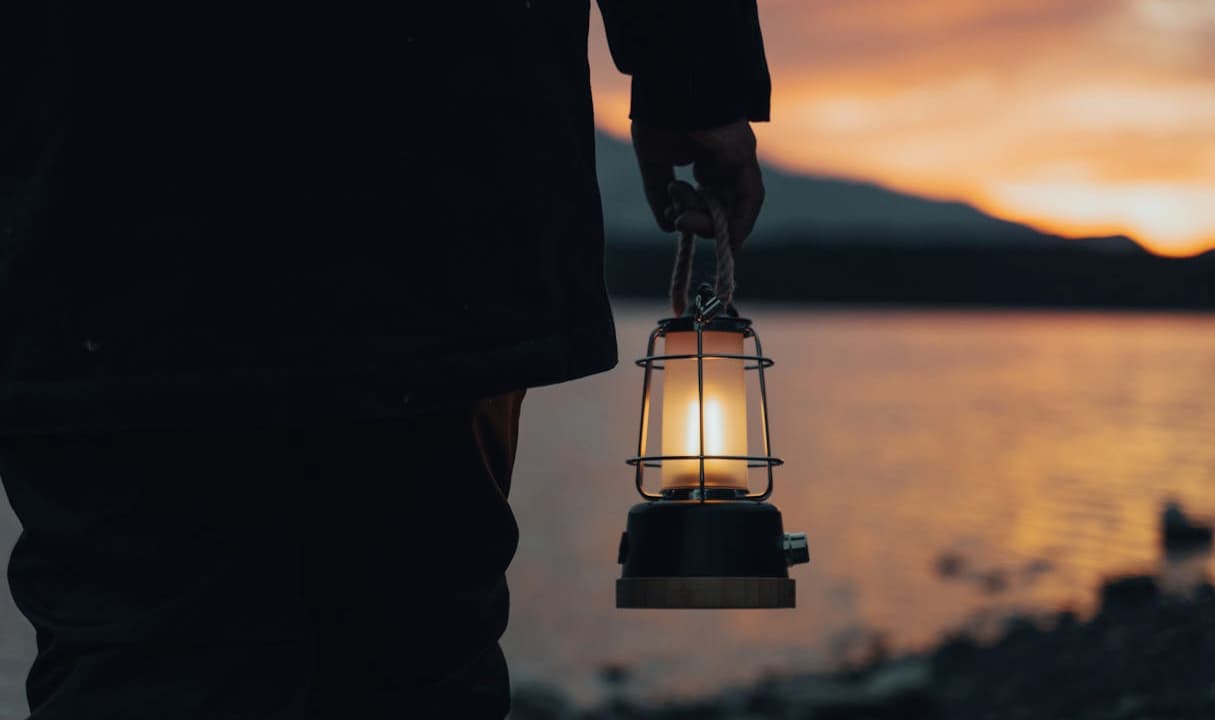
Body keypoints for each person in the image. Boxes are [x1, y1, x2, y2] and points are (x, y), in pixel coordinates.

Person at [0, 1, 769, 717]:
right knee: (412, 646)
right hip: (436, 186)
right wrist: (694, 74)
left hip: (97, 186)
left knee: (147, 653)